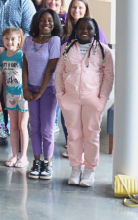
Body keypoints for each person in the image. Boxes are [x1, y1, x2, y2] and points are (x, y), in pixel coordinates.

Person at [56, 17, 114, 187]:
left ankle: (89, 170)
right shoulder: (66, 48)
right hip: (70, 99)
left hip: (93, 99)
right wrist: (61, 95)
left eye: (89, 28)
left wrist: (101, 100)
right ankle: (75, 168)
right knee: (73, 135)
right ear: (75, 30)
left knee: (91, 136)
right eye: (81, 28)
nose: (84, 31)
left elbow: (109, 76)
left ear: (95, 31)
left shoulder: (104, 51)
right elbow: (59, 72)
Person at [24, 8, 62, 180]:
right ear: (36, 22)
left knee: (47, 128)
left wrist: (40, 91)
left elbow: (51, 67)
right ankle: (36, 161)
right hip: (30, 88)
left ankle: (47, 162)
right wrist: (25, 88)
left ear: (54, 23)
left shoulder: (54, 40)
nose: (46, 23)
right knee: (34, 126)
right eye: (42, 20)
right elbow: (24, 65)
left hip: (47, 89)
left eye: (49, 20)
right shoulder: (28, 40)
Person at [0, 27, 29, 168]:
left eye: (13, 39)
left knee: (22, 126)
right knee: (13, 125)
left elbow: (27, 74)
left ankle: (23, 156)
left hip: (22, 95)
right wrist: (4, 94)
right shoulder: (3, 56)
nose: (9, 41)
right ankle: (14, 155)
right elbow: (3, 77)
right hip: (10, 94)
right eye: (7, 38)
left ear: (19, 41)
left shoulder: (21, 55)